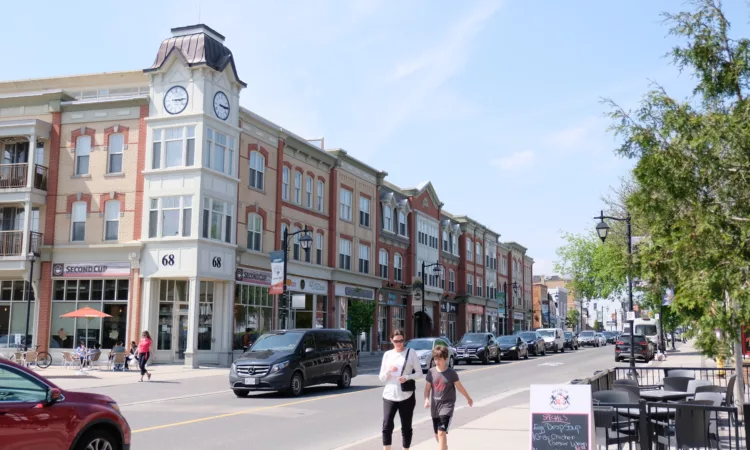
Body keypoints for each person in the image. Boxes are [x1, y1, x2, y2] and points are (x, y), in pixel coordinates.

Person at [379, 329, 422, 450]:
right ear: (391, 340)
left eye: (402, 341)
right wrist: (388, 370)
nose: (399, 344)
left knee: (406, 426)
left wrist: (407, 377)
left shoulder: (411, 352)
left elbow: (419, 373)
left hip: (406, 395)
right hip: (389, 395)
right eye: (396, 341)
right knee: (386, 425)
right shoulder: (387, 355)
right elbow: (382, 378)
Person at [424, 345, 473, 450]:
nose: (437, 361)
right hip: (434, 408)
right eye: (435, 359)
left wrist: (468, 398)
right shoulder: (431, 372)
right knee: (437, 435)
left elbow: (459, 387)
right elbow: (427, 389)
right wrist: (426, 399)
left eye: (440, 359)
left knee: (441, 432)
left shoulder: (451, 373)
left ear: (446, 359)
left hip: (447, 406)